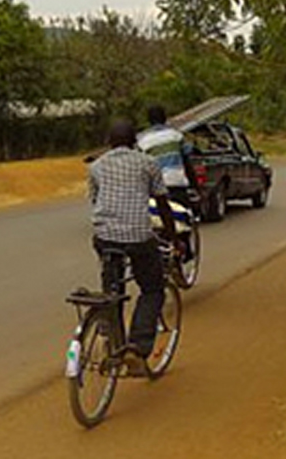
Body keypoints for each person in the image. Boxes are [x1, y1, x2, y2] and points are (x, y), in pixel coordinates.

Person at [88, 119, 180, 375]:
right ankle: (137, 348)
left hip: (105, 236)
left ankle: (110, 339)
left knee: (112, 287)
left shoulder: (96, 166)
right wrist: (172, 237)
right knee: (152, 289)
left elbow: (95, 200)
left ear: (109, 142)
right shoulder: (147, 163)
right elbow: (163, 203)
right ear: (135, 142)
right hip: (139, 236)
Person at [137, 105, 198, 210]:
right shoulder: (176, 135)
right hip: (177, 183)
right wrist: (195, 185)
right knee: (186, 216)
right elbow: (187, 162)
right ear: (165, 118)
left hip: (156, 188)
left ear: (149, 121)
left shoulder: (142, 141)